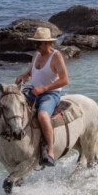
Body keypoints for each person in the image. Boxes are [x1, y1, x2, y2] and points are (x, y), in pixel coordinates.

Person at [15, 27, 69, 167]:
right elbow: (30, 74)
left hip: (50, 94)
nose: (35, 46)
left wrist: (44, 89)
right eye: (35, 43)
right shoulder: (36, 55)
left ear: (46, 43)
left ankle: (50, 152)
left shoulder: (56, 56)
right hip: (33, 92)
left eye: (37, 43)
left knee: (43, 115)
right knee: (10, 106)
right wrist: (23, 77)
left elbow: (64, 80)